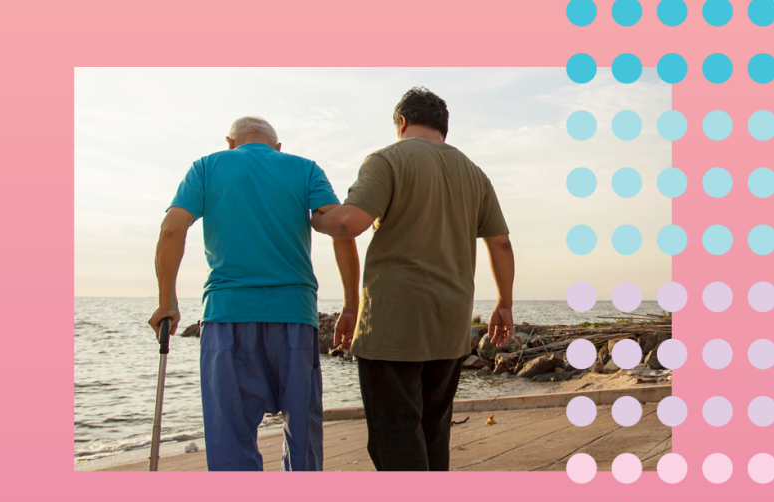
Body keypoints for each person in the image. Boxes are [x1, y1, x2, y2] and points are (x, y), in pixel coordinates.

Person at [311, 88, 516, 471]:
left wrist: (317, 218)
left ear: (402, 122)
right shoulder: (475, 173)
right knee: (433, 431)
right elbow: (501, 243)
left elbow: (347, 224)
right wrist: (504, 303)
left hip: (392, 324)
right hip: (451, 324)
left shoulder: (388, 159)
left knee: (395, 438)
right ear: (443, 127)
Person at [148, 116, 359, 471]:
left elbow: (171, 229)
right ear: (278, 147)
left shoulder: (206, 167)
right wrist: (351, 305)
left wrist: (166, 301)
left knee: (230, 440)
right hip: (294, 315)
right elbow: (341, 228)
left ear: (230, 143)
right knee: (302, 437)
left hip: (226, 315)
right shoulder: (305, 169)